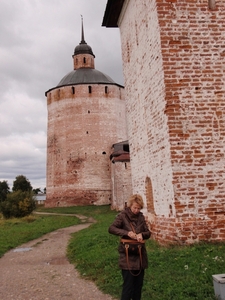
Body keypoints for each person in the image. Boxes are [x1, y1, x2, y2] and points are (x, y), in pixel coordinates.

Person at [108, 194, 151, 300]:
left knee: (138, 286)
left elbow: (148, 232)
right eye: (134, 207)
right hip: (127, 256)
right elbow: (111, 228)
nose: (136, 210)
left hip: (140, 255)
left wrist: (142, 235)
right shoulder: (123, 216)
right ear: (130, 206)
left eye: (139, 208)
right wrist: (127, 232)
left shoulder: (141, 217)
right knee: (128, 287)